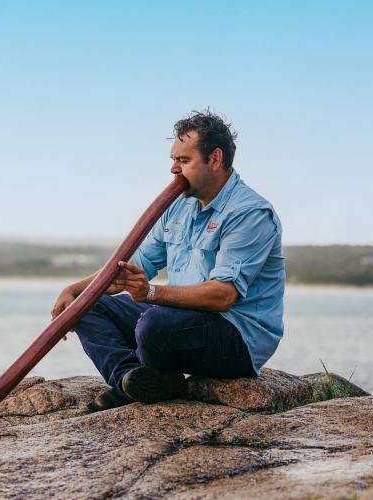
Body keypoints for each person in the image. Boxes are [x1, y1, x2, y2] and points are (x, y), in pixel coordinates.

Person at [51, 110, 286, 411]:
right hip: (181, 320)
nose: (174, 169)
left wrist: (151, 293)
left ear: (215, 159)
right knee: (87, 307)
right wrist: (76, 290)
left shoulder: (249, 213)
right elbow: (132, 265)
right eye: (173, 160)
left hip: (236, 338)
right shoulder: (180, 208)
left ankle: (147, 382)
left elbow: (223, 296)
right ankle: (131, 379)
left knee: (155, 321)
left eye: (183, 161)